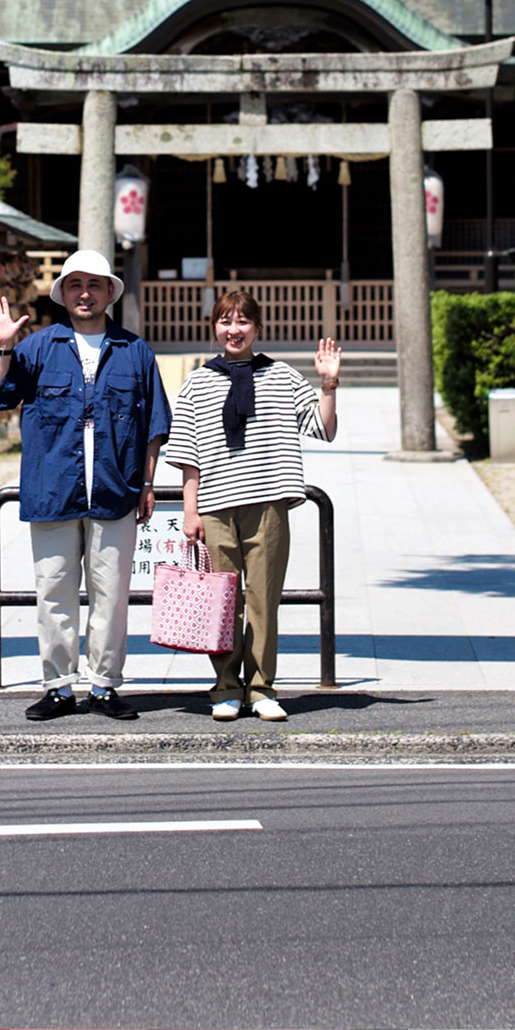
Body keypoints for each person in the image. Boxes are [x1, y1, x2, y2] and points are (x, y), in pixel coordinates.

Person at [0, 248, 171, 723]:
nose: (84, 293)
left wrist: (147, 483)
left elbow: (153, 425)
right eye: (75, 285)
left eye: (94, 285)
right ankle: (59, 687)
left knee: (112, 593)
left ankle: (105, 686)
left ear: (110, 292)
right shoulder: (39, 347)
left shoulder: (135, 350)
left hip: (116, 489)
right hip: (53, 490)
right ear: (63, 293)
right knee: (54, 593)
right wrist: (3, 347)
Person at [164, 289, 338, 721]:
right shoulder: (197, 381)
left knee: (264, 600)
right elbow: (186, 453)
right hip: (216, 507)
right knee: (222, 603)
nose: (233, 329)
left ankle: (261, 687)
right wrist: (190, 512)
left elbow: (323, 428)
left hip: (269, 505)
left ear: (258, 328)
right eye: (225, 321)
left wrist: (329, 384)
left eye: (243, 321)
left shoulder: (282, 376)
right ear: (214, 328)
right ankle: (225, 685)